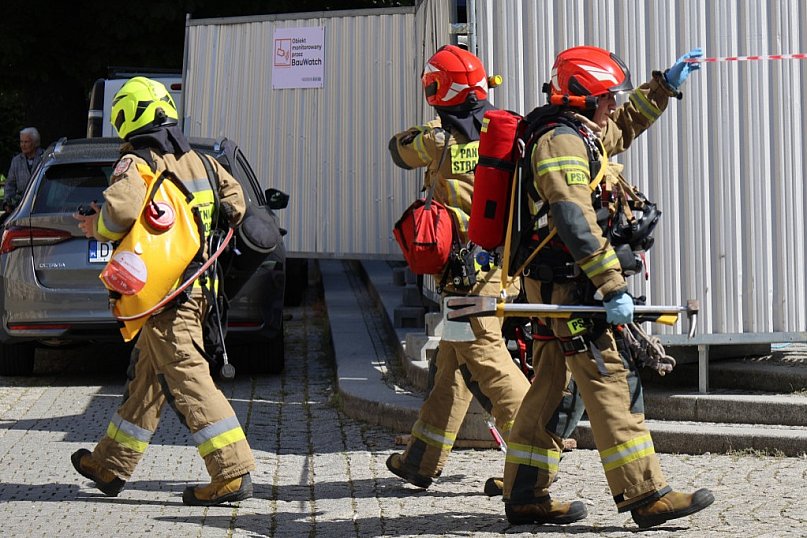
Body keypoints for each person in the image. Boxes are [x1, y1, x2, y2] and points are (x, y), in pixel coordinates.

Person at [501, 46, 715, 528]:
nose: (613, 105)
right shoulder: (560, 143)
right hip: (570, 285)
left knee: (551, 386)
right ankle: (646, 494)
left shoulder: (581, 132)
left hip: (559, 283)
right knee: (610, 378)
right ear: (583, 97)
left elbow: (622, 127)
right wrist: (612, 286)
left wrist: (663, 87)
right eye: (607, 97)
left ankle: (525, 493)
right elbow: (573, 219)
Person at [71, 76, 255, 506]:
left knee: (188, 378)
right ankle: (110, 465)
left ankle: (231, 471)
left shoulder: (137, 162)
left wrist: (95, 225)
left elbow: (119, 213)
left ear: (127, 117)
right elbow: (237, 205)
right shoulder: (203, 161)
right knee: (146, 379)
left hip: (165, 295)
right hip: (200, 289)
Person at [386, 45, 531, 491]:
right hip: (501, 269)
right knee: (451, 366)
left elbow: (398, 150)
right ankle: (421, 459)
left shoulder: (438, 140)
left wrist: (433, 127)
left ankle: (535, 455)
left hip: (466, 276)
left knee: (488, 360)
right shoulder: (507, 130)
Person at [4, 127, 44, 209]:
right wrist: (7, 203)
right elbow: (10, 185)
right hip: (21, 206)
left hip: (41, 203)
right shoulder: (16, 161)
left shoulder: (44, 157)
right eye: (21, 142)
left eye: (26, 142)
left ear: (35, 142)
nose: (23, 145)